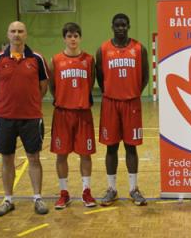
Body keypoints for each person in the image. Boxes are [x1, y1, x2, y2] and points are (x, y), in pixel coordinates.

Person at [0, 21, 49, 216]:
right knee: (7, 159)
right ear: (8, 34)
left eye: (20, 31)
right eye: (13, 31)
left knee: (34, 158)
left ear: (26, 34)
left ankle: (37, 198)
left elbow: (43, 86)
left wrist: (30, 103)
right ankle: (8, 199)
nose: (16, 35)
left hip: (31, 118)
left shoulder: (37, 59)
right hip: (5, 119)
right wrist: (6, 105)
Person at [96, 13, 149, 206]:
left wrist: (132, 92)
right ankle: (111, 189)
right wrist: (112, 92)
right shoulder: (102, 50)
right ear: (112, 26)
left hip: (131, 103)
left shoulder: (139, 48)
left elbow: (145, 77)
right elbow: (100, 78)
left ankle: (134, 189)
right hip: (110, 103)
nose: (121, 28)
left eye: (124, 25)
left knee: (131, 146)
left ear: (129, 26)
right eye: (117, 25)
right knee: (111, 146)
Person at [49, 22, 97, 209]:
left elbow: (91, 82)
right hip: (62, 113)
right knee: (61, 155)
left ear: (80, 38)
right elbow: (53, 87)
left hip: (83, 112)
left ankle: (86, 191)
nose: (73, 39)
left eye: (76, 35)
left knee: (85, 154)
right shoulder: (56, 60)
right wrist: (63, 99)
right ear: (64, 38)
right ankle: (64, 193)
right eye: (69, 36)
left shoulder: (89, 60)